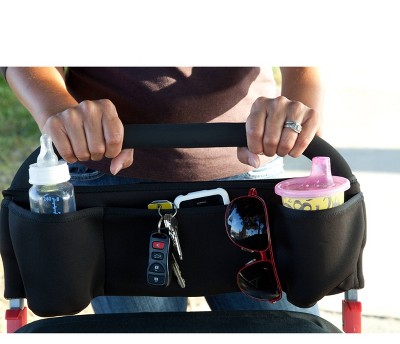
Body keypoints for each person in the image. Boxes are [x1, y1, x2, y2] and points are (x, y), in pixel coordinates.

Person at [1, 67, 324, 315]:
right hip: (111, 181)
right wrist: (59, 112)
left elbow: (303, 66)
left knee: (289, 330)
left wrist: (294, 117)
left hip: (250, 179)